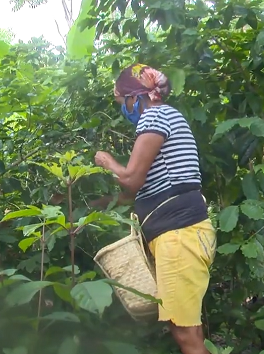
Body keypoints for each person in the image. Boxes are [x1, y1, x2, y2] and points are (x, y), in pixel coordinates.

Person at [93, 64, 216, 354]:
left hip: (179, 236)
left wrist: (107, 161)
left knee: (185, 334)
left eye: (121, 102)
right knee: (189, 330)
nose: (123, 109)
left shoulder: (156, 116)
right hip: (184, 234)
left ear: (135, 98)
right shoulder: (169, 117)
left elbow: (132, 179)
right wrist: (102, 203)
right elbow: (152, 187)